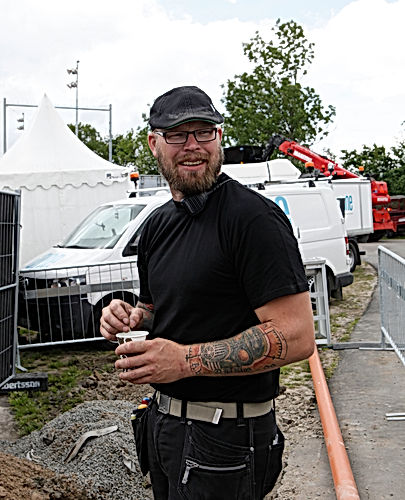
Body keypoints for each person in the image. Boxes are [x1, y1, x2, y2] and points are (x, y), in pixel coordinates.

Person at [100, 85, 315, 500]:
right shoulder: (157, 225)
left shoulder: (253, 219)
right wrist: (129, 317)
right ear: (154, 143)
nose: (193, 146)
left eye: (204, 132)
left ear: (219, 137)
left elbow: (297, 336)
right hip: (164, 424)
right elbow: (155, 310)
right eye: (178, 134)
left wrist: (183, 361)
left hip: (227, 438)